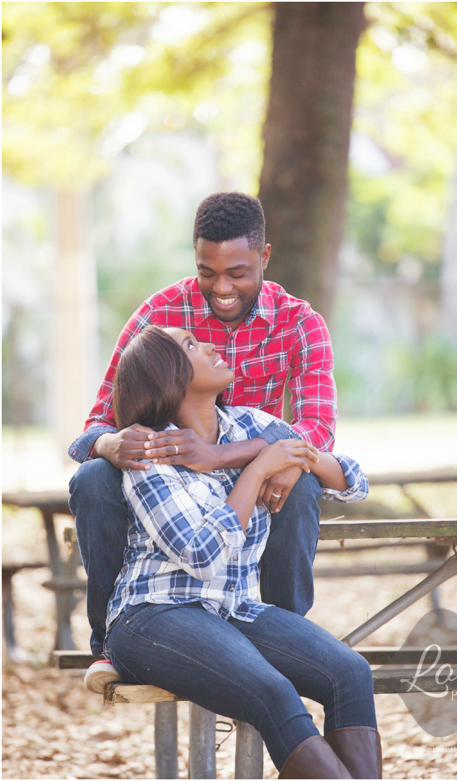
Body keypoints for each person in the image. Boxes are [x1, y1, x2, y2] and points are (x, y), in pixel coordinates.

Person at [68, 192, 335, 692]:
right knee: (93, 478)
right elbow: (94, 427)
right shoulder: (161, 314)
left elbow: (316, 430)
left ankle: (286, 635)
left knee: (297, 482)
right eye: (207, 272)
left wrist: (227, 456)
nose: (222, 288)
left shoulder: (300, 323)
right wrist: (110, 446)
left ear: (265, 257)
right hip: (168, 484)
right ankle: (108, 643)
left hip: (252, 475)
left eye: (237, 271)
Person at [100, 324, 378, 779]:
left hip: (234, 609)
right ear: (168, 377)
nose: (210, 345)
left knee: (350, 673)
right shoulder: (150, 451)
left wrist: (293, 457)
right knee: (273, 691)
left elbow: (353, 480)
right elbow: (202, 555)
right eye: (191, 346)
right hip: (154, 615)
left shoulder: (251, 425)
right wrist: (259, 469)